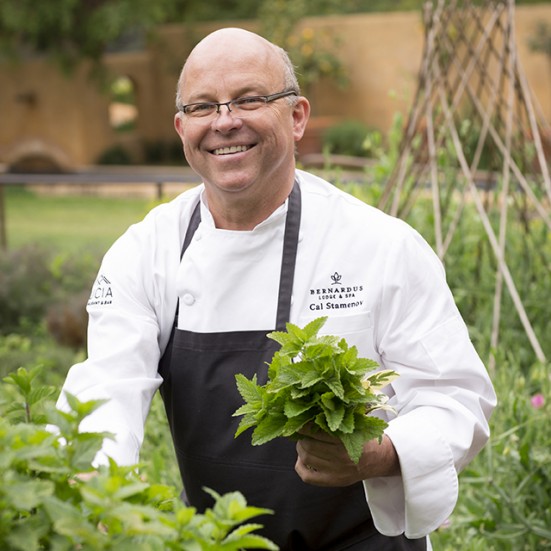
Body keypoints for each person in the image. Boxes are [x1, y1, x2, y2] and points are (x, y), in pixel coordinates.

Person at [57, 27, 496, 550]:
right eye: (203, 106)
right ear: (181, 128)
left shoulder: (381, 245)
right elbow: (107, 388)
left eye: (249, 99)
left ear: (297, 117)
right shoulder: (146, 251)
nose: (224, 122)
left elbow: (457, 398)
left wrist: (379, 454)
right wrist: (95, 497)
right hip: (218, 542)